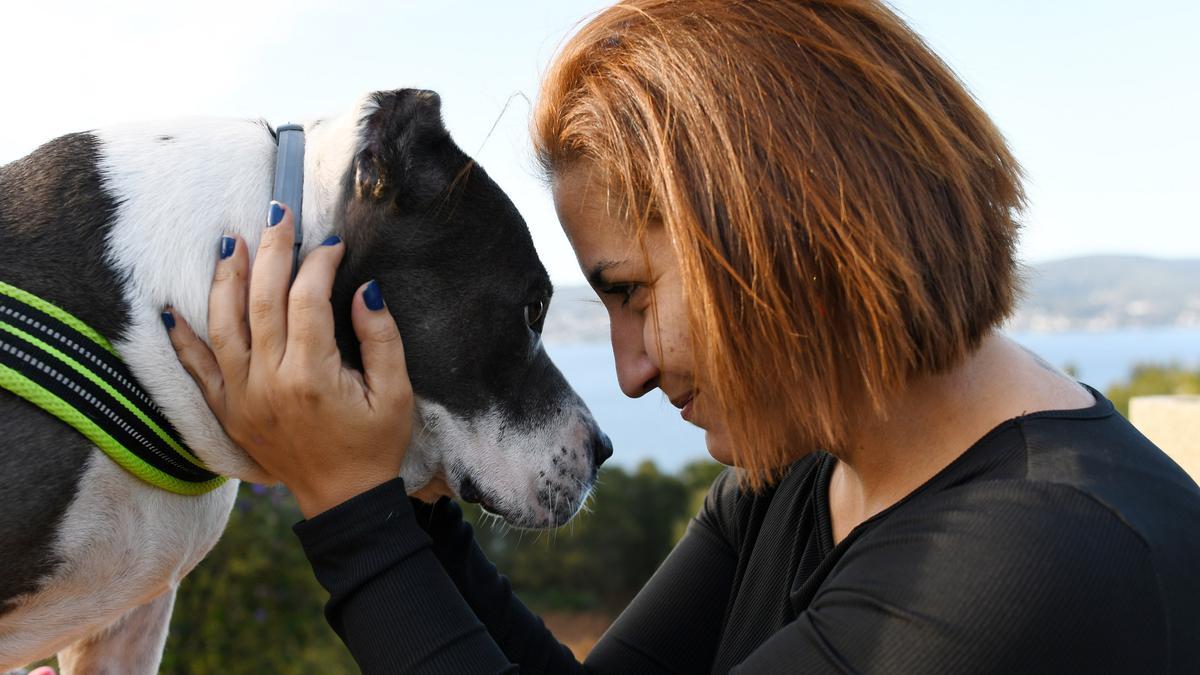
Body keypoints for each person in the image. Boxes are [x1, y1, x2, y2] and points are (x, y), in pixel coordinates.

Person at [164, 1, 1200, 672]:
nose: (630, 371)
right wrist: (415, 495)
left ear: (787, 228)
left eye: (633, 292)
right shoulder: (810, 472)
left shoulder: (1036, 561)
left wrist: (355, 517)